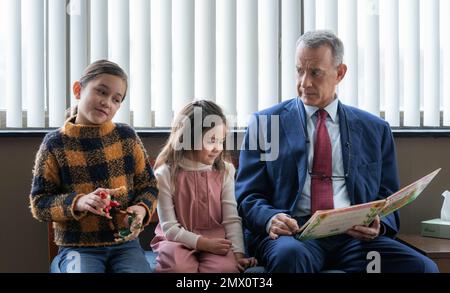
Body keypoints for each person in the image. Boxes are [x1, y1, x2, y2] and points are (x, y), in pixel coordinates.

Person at [235, 30, 439, 273]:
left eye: (315, 73)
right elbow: (248, 196)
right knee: (290, 257)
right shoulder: (267, 124)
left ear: (340, 73)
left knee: (422, 268)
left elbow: (388, 196)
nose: (304, 83)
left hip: (354, 240)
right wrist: (270, 218)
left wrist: (378, 224)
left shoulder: (375, 129)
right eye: (299, 70)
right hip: (296, 236)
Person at [30, 60, 158, 273]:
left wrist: (141, 210)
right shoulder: (55, 144)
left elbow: (149, 186)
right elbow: (39, 203)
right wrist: (78, 202)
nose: (107, 102)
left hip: (125, 245)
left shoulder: (126, 137)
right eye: (101, 92)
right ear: (78, 90)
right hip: (77, 247)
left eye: (116, 100)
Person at [150, 100, 257, 273]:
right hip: (176, 241)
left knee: (227, 270)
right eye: (211, 140)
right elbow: (169, 227)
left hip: (216, 241)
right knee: (177, 268)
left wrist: (238, 253)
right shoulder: (165, 174)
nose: (218, 148)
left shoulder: (225, 170)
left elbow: (231, 218)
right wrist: (203, 243)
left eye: (221, 141)